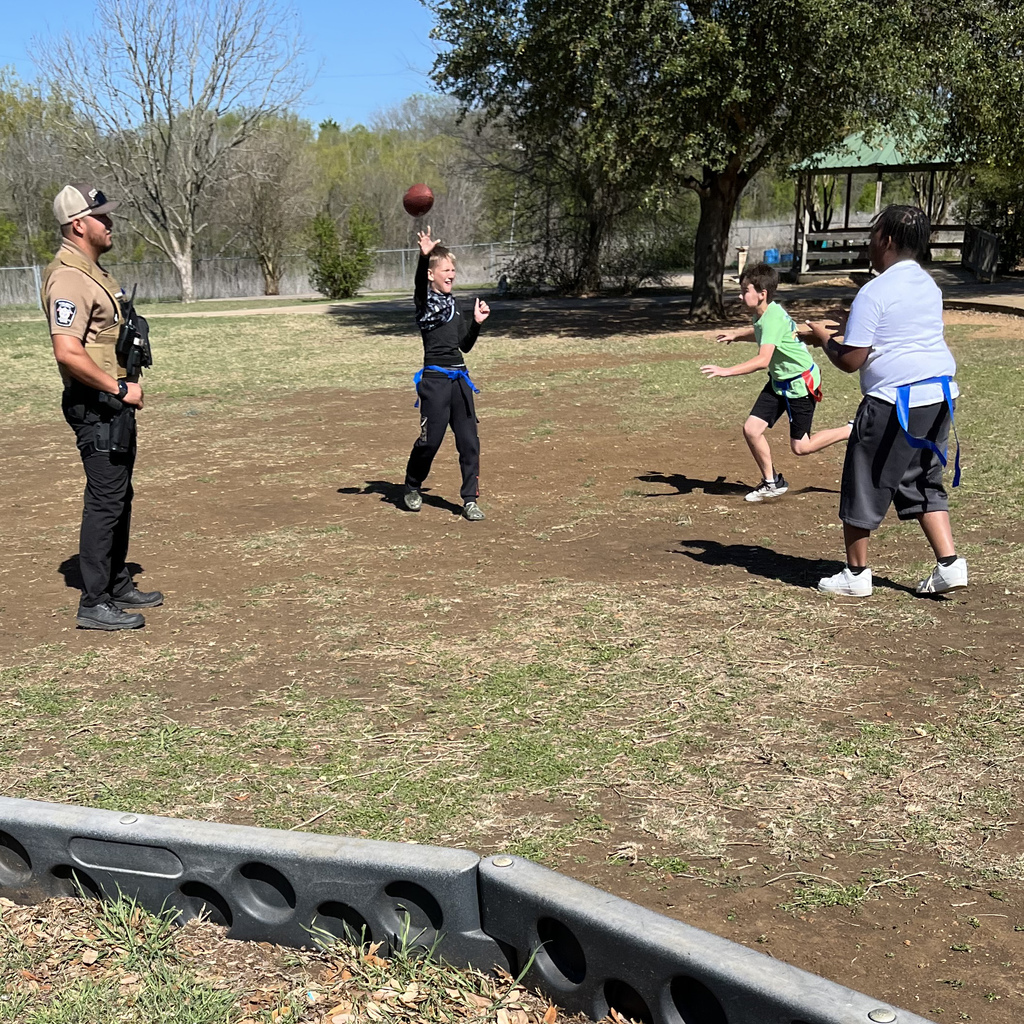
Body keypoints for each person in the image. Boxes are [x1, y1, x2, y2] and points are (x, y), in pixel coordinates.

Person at [806, 204, 966, 598]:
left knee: (865, 478)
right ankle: (949, 564)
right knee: (922, 477)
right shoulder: (928, 284)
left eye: (872, 235)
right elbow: (902, 331)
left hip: (895, 401)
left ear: (887, 240)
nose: (869, 243)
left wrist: (823, 338)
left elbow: (851, 360)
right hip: (939, 395)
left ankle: (856, 574)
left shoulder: (874, 290)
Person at [41, 182, 163, 629]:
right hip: (96, 404)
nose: (109, 223)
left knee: (119, 495)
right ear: (78, 225)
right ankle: (93, 602)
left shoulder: (94, 272)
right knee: (105, 500)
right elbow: (67, 351)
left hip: (111, 404)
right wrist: (117, 387)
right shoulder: (69, 277)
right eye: (102, 217)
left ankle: (114, 582)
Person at [701, 262, 852, 502]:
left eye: (744, 291)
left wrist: (726, 371)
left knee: (801, 447)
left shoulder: (771, 318)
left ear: (761, 295)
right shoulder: (765, 314)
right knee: (751, 429)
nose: (740, 296)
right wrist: (736, 335)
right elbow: (763, 335)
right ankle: (772, 482)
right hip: (779, 382)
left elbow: (763, 360)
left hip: (800, 384)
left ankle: (849, 430)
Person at [403, 228, 491, 520]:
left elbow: (464, 345)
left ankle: (470, 500)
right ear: (432, 274)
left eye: (454, 269)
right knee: (430, 441)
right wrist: (423, 257)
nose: (452, 274)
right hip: (435, 382)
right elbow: (418, 283)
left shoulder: (455, 305)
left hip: (460, 381)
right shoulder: (425, 303)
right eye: (445, 269)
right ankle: (413, 485)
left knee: (469, 443)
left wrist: (477, 323)